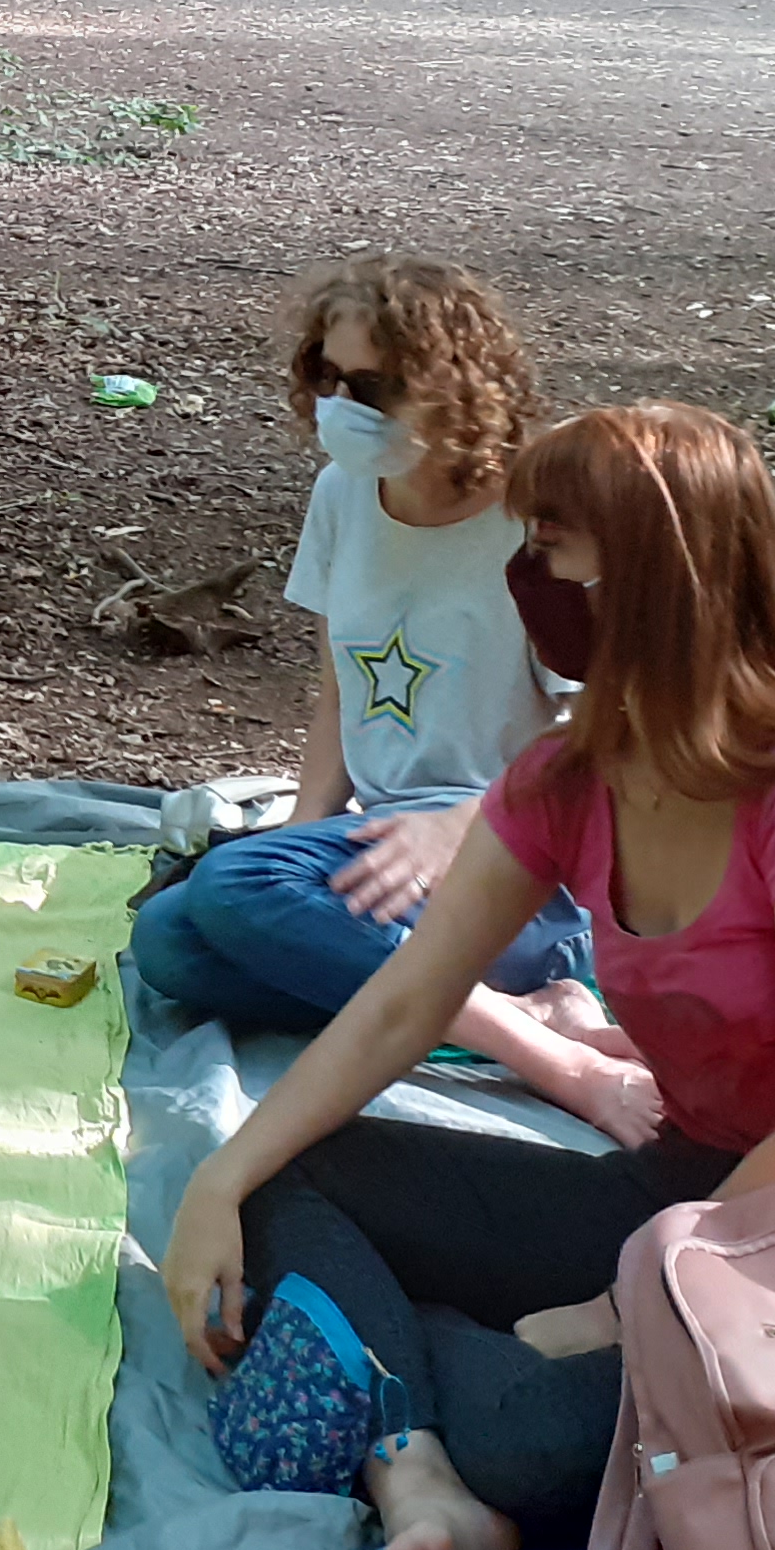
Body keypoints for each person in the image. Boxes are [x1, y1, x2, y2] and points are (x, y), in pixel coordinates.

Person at [160, 402, 775, 1550]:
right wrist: (217, 1181)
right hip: (680, 1181)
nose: (525, 576)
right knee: (296, 1177)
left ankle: (415, 1398)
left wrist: (614, 1311)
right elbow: (404, 1002)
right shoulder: (571, 774)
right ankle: (415, 1465)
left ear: (656, 573)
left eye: (550, 544)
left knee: (528, 1430)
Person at [131, 259, 650, 1138]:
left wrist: (463, 826)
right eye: (325, 374)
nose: (339, 403)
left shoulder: (539, 522)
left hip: (526, 862)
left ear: (453, 385)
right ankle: (520, 1013)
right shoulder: (341, 495)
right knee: (170, 942)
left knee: (232, 887)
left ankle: (558, 1063)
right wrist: (300, 838)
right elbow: (340, 689)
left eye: (370, 385)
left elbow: (612, 738)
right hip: (385, 845)